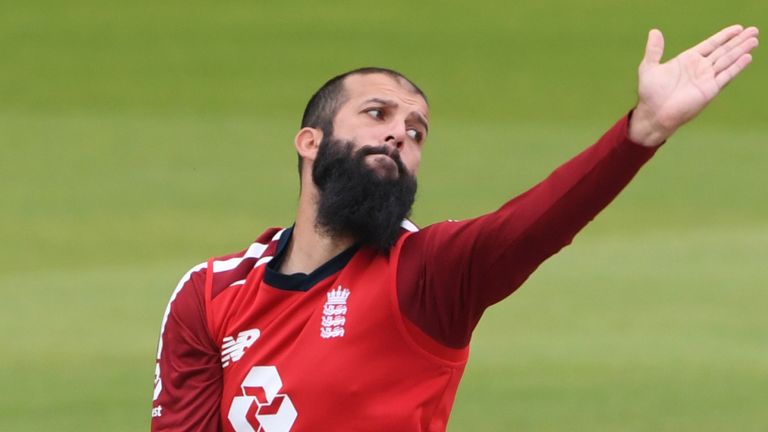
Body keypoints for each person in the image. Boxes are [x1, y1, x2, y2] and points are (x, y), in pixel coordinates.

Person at [151, 25, 759, 431]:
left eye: (416, 132)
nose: (399, 133)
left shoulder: (425, 275)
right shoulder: (210, 296)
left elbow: (533, 225)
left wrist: (642, 131)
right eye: (377, 114)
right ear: (311, 142)